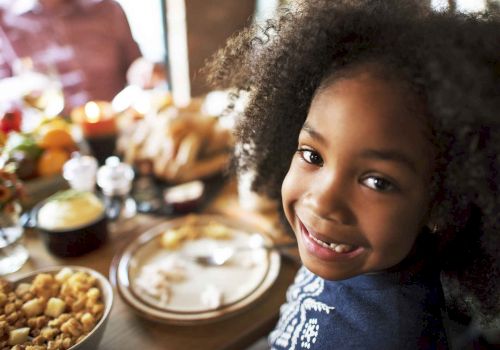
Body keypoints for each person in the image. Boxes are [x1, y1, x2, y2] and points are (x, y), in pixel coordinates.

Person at [206, 0, 500, 348]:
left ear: (440, 204)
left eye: (377, 181)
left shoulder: (386, 337)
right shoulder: (348, 255)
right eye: (313, 155)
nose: (323, 200)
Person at [0, 0, 163, 111]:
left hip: (114, 130)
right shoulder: (5, 18)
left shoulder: (106, 8)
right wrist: (22, 86)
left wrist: (144, 70)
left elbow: (134, 64)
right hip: (46, 143)